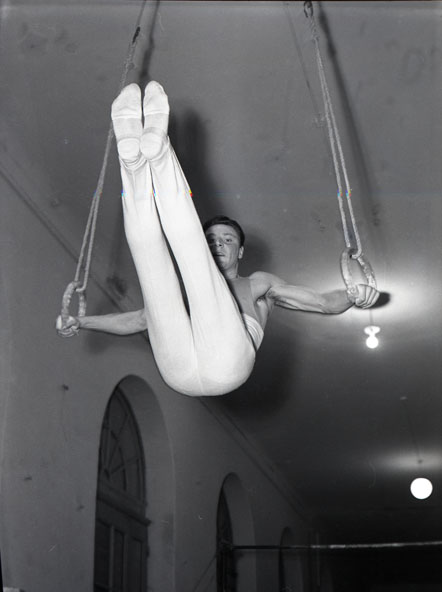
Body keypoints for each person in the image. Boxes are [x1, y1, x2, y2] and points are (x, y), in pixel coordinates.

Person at [56, 81, 379, 397]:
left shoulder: (259, 284)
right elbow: (139, 319)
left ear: (241, 252)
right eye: (212, 239)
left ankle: (155, 156)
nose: (217, 244)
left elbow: (323, 303)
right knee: (153, 264)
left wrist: (353, 295)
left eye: (227, 240)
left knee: (189, 258)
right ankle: (135, 162)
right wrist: (81, 322)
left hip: (217, 367)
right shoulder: (188, 287)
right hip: (185, 364)